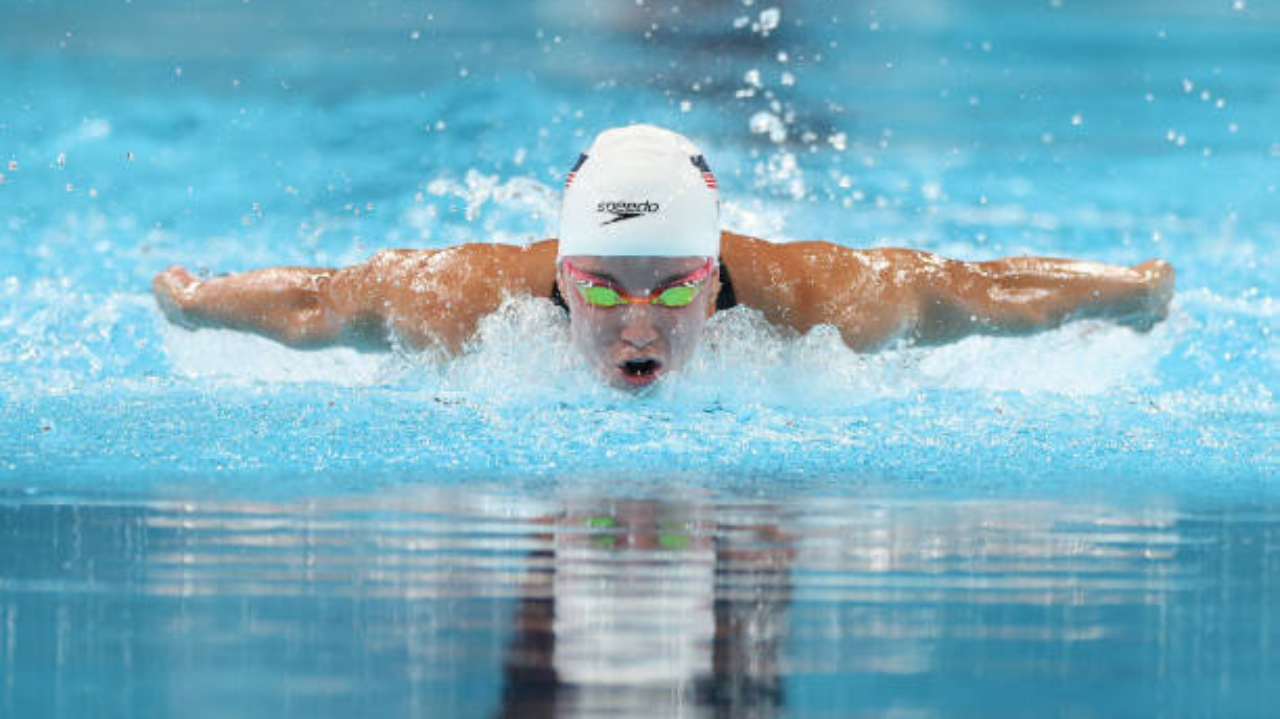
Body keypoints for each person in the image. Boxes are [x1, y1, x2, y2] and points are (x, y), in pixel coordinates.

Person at [152, 124, 1175, 391]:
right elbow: (315, 305)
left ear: (716, 270)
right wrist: (199, 304)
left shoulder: (823, 299)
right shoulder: (458, 298)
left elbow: (974, 291)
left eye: (673, 287)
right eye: (600, 285)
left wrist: (1125, 296)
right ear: (558, 273)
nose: (636, 321)